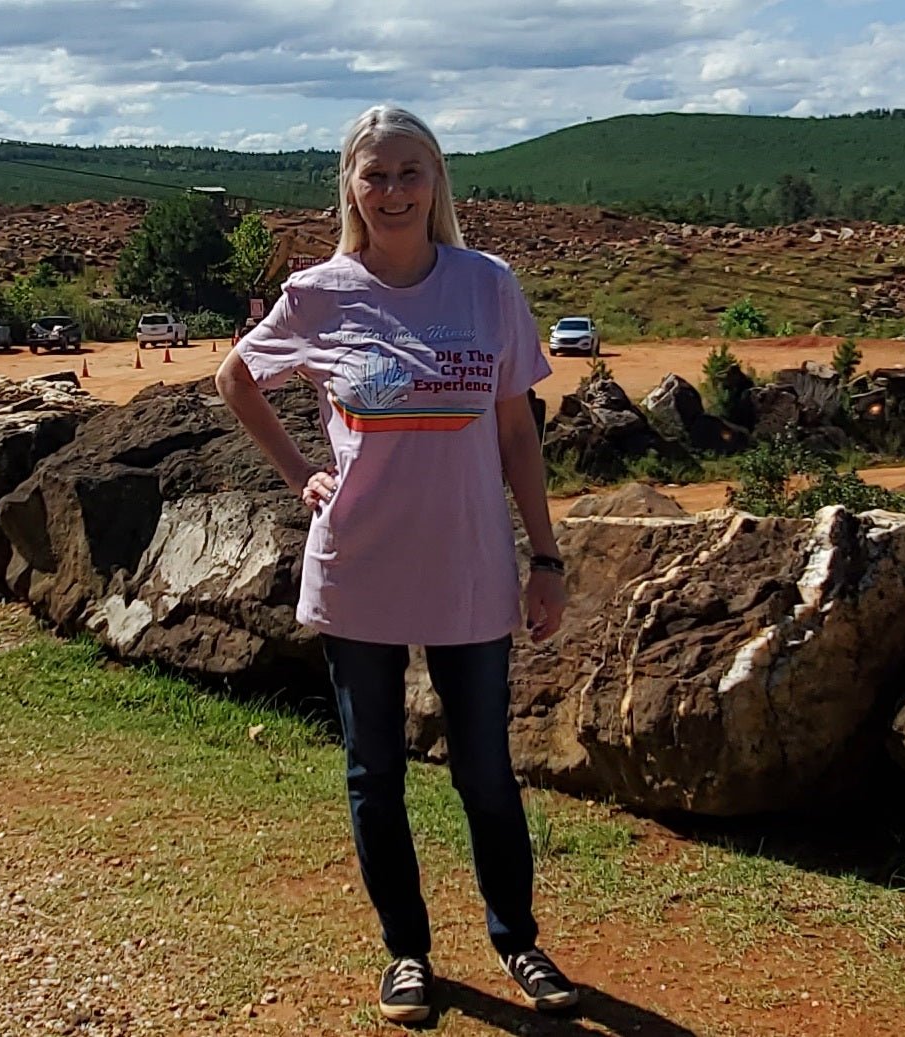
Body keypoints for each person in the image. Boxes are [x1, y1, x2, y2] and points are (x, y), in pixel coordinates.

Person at [215, 104, 577, 1025]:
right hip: (360, 565)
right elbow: (236, 378)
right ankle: (407, 954)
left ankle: (519, 941)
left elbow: (516, 435)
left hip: (468, 565)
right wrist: (302, 473)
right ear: (351, 187)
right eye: (375, 175)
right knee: (373, 770)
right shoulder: (320, 293)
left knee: (486, 770)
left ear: (437, 182)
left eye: (410, 172)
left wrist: (545, 553)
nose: (394, 191)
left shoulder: (486, 285)